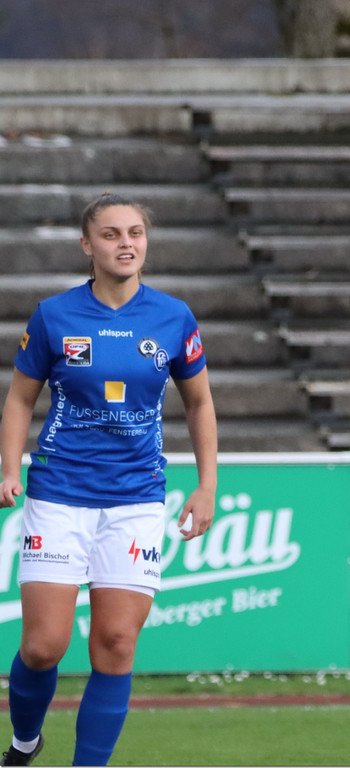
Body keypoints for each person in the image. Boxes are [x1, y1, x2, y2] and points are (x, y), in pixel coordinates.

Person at [0, 193, 218, 766]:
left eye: (135, 233)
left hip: (136, 500)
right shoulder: (54, 315)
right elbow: (20, 399)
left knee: (116, 644)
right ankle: (24, 743)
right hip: (58, 495)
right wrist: (10, 469)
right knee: (43, 647)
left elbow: (199, 403)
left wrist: (206, 485)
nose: (126, 243)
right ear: (86, 244)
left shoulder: (173, 317)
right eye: (111, 234)